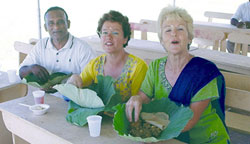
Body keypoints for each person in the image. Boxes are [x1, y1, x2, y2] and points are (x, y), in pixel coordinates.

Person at [125, 6, 230, 143]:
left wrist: (149, 131)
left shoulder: (204, 72)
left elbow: (189, 121)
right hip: (169, 137)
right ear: (162, 40)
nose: (174, 34)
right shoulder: (156, 67)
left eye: (180, 29)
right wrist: (136, 99)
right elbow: (143, 98)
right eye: (168, 30)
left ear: (189, 37)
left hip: (206, 140)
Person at [67, 10, 148, 102]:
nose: (109, 37)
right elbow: (79, 87)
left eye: (115, 33)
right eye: (105, 32)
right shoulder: (94, 65)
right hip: (97, 116)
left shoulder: (138, 67)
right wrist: (73, 80)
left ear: (125, 39)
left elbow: (139, 103)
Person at [19, 6, 96, 83]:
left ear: (68, 24)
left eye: (60, 22)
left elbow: (92, 80)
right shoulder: (41, 45)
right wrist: (31, 68)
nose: (56, 27)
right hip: (45, 93)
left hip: (72, 94)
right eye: (51, 23)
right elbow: (21, 72)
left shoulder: (82, 48)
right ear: (46, 27)